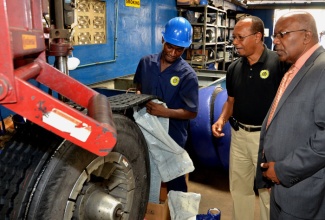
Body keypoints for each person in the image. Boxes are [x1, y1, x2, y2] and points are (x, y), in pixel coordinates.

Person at [211, 16, 286, 220]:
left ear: (258, 36)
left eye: (240, 37)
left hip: (266, 140)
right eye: (234, 37)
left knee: (267, 193)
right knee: (239, 189)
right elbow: (231, 102)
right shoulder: (234, 68)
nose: (235, 42)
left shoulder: (278, 64)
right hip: (238, 136)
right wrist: (221, 120)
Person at [256, 11, 325, 220]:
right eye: (274, 35)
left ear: (306, 36)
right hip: (282, 188)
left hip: (302, 192)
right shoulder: (295, 68)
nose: (274, 41)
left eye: (282, 34)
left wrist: (284, 171)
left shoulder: (322, 70)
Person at [133, 17, 199, 192]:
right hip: (146, 130)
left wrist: (164, 112)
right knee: (145, 173)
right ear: (163, 39)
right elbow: (138, 87)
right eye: (170, 46)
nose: (173, 52)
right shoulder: (146, 63)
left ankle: (181, 215)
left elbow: (191, 112)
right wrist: (138, 96)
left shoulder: (187, 75)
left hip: (173, 136)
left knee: (175, 180)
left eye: (179, 49)